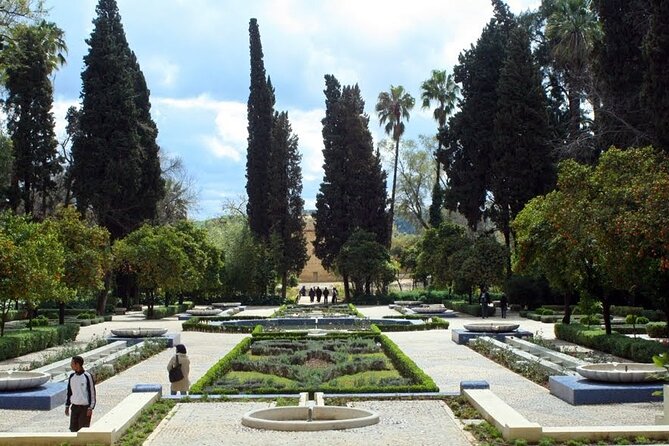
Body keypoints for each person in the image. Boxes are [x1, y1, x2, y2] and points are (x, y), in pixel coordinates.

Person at [65, 355, 96, 432]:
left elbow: (92, 392)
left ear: (77, 364)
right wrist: (67, 405)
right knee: (73, 429)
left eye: (72, 363)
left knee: (82, 430)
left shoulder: (87, 376)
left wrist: (91, 407)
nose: (71, 365)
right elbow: (69, 392)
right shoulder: (72, 376)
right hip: (74, 407)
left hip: (84, 408)